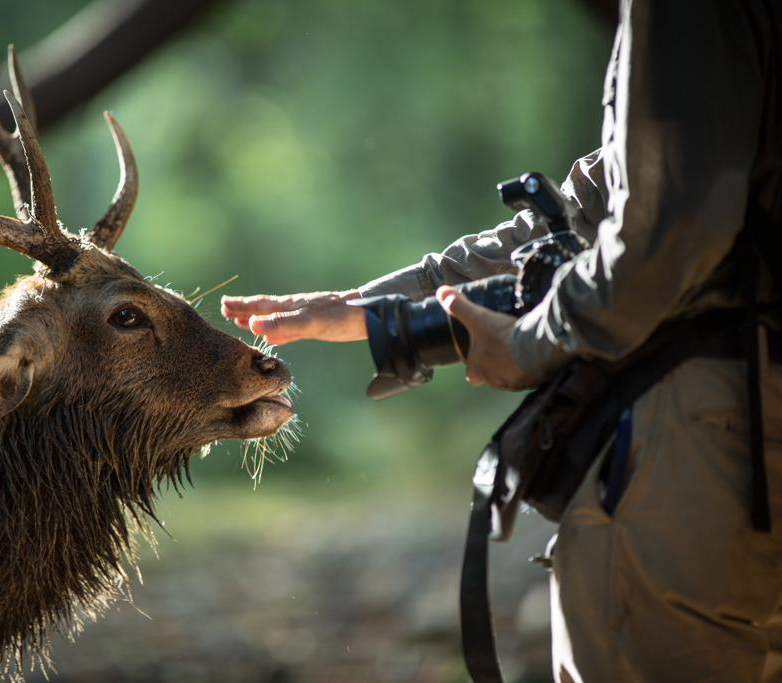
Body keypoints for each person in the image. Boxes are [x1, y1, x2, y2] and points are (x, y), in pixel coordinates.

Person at [222, 1, 782, 681]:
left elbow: (664, 237)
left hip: (719, 431)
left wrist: (527, 344)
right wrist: (370, 308)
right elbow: (597, 207)